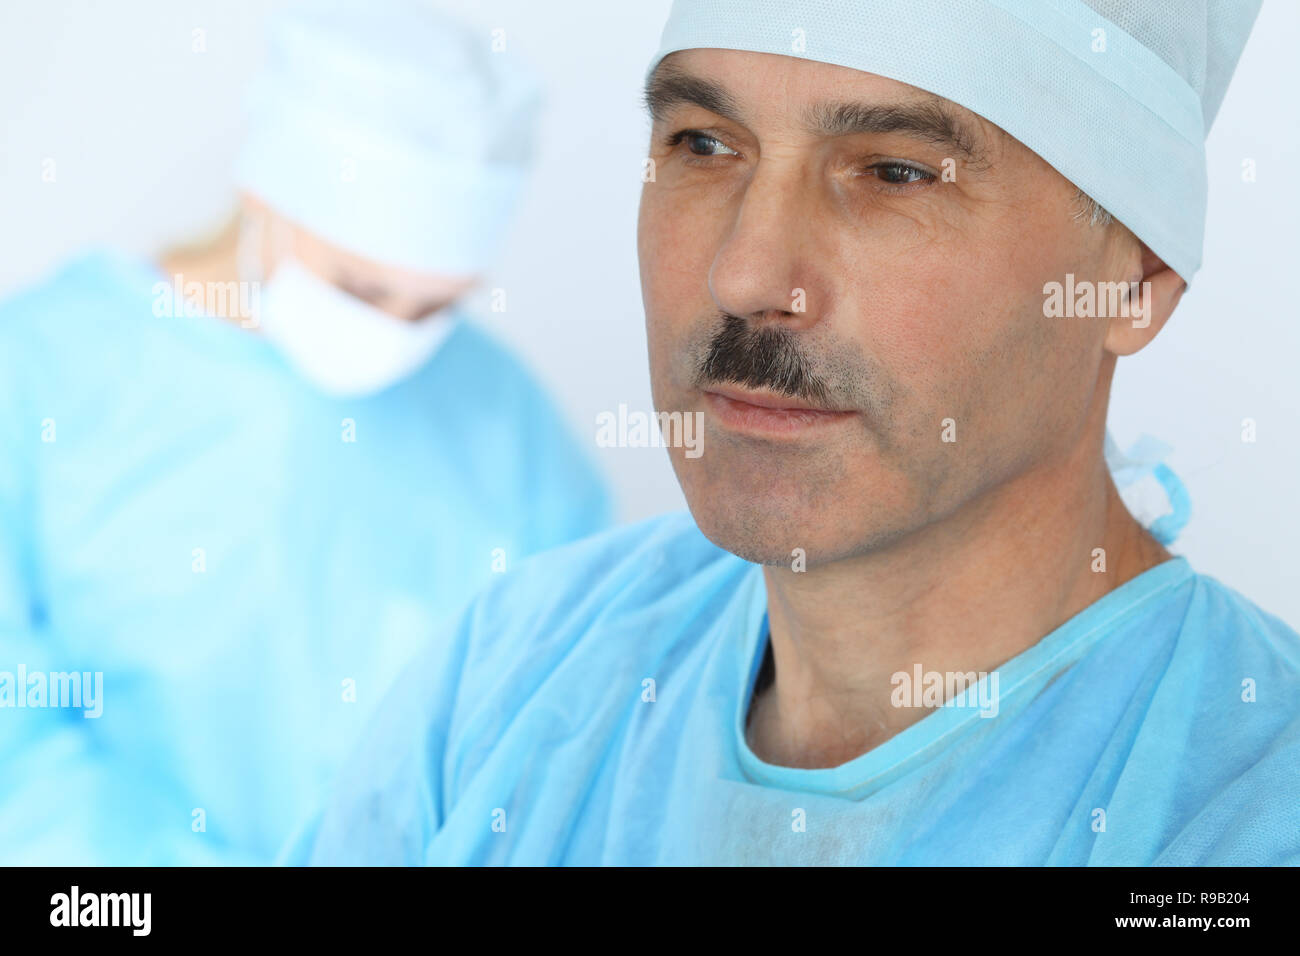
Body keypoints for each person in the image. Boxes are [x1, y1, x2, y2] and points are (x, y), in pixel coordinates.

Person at [288, 0, 1299, 866]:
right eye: (705, 145)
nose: (745, 274)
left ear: (1134, 279)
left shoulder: (1245, 809)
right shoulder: (513, 677)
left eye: (897, 172)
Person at [0, 0, 610, 865]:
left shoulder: (503, 420)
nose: (399, 334)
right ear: (265, 189)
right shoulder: (35, 374)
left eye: (437, 306)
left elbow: (569, 727)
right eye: (361, 287)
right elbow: (14, 755)